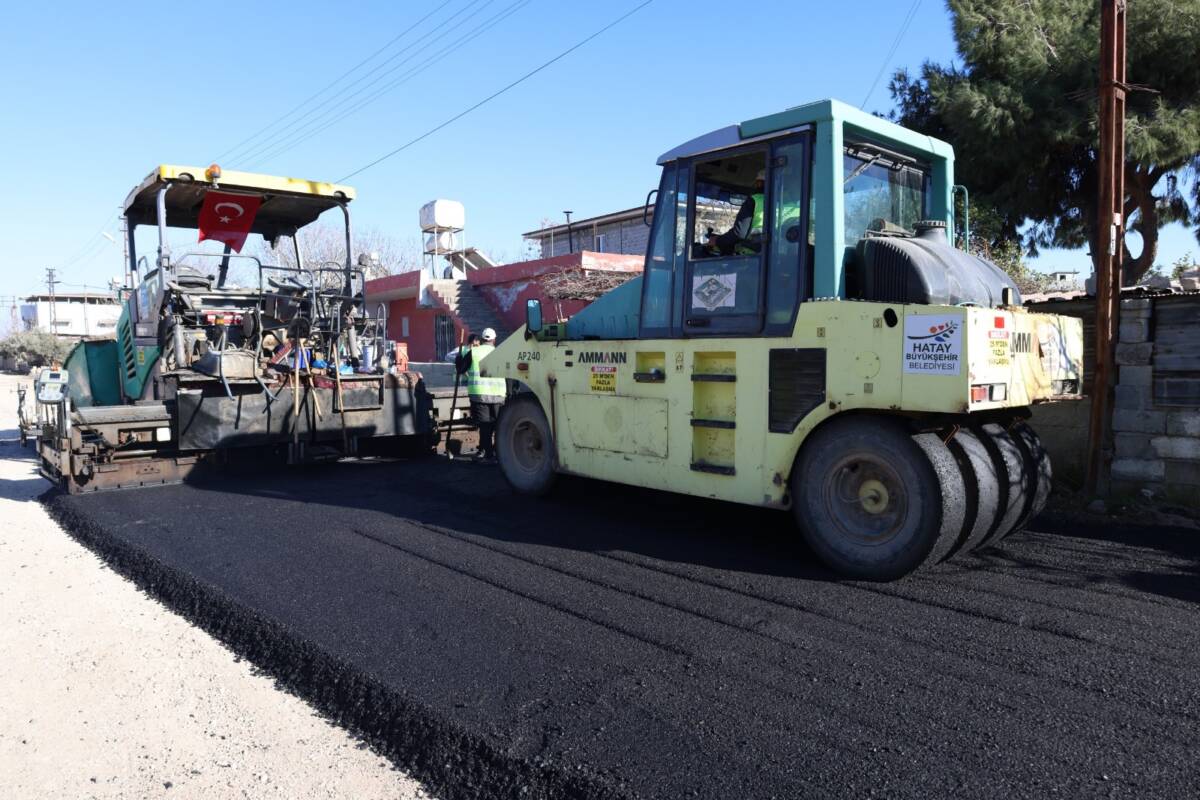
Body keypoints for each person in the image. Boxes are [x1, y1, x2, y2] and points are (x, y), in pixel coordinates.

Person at [455, 327, 506, 461]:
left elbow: (461, 369)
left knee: (484, 426)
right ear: (494, 340)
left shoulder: (474, 352)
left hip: (479, 395)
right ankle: (499, 453)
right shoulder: (501, 353)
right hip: (498, 396)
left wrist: (459, 359)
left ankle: (487, 453)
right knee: (498, 425)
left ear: (482, 339)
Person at [710, 169, 766, 256]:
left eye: (758, 183)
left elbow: (740, 233)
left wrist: (717, 240)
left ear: (760, 184)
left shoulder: (754, 200)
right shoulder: (789, 204)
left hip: (754, 255)